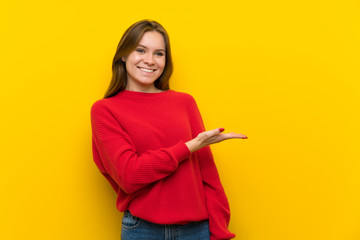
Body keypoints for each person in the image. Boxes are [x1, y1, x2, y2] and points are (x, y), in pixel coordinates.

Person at [90, 19, 247, 240]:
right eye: (141, 50)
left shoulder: (184, 103)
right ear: (123, 55)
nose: (150, 60)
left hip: (197, 230)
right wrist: (189, 146)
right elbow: (129, 174)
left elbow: (208, 175)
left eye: (159, 54)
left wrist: (219, 230)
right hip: (143, 230)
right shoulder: (105, 110)